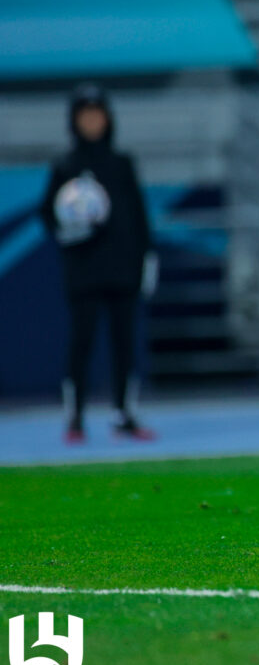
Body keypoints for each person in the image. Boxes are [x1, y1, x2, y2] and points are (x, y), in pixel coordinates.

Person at [38, 83, 156, 443]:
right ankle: (75, 418)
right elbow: (49, 217)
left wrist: (146, 260)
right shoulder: (65, 166)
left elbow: (139, 216)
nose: (92, 121)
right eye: (85, 115)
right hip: (85, 270)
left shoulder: (122, 164)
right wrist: (73, 228)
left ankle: (125, 414)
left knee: (124, 343)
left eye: (98, 113)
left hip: (122, 269)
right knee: (82, 342)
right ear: (74, 121)